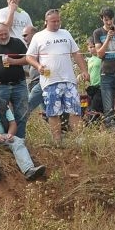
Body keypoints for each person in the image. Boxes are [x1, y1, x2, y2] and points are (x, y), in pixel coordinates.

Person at [25, 9, 90, 144]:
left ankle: (79, 140)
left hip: (69, 80)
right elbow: (29, 57)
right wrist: (38, 66)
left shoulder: (66, 33)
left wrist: (84, 70)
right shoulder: (39, 36)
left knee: (75, 109)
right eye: (53, 21)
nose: (56, 23)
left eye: (58, 21)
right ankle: (57, 141)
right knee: (53, 112)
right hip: (50, 81)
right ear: (46, 22)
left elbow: (76, 53)